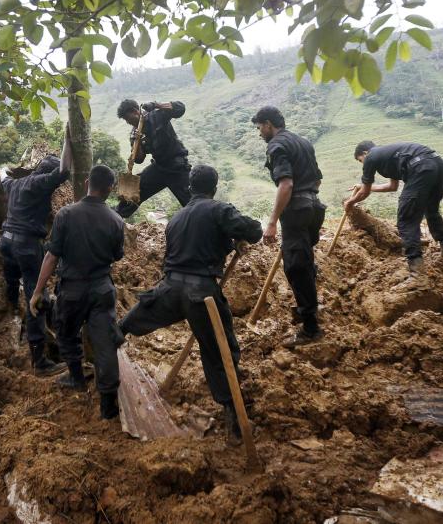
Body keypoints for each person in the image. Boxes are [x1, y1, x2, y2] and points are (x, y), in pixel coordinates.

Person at [119, 165, 262, 441]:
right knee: (220, 353)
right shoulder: (219, 209)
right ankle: (235, 419)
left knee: (141, 314)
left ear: (189, 188)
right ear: (215, 187)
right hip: (201, 294)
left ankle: (114, 333)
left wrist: (229, 242)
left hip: (171, 288)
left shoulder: (176, 218)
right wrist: (240, 235)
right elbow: (252, 230)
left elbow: (196, 244)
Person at [28, 165, 126, 419]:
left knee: (67, 335)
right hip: (102, 289)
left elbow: (51, 256)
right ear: (109, 189)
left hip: (72, 290)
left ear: (86, 183)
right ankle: (108, 406)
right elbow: (116, 255)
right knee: (105, 345)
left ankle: (76, 378)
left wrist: (38, 291)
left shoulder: (66, 214)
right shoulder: (116, 220)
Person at [0, 129, 73, 376]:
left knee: (12, 280)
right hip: (26, 245)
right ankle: (40, 361)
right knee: (36, 297)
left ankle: (9, 304)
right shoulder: (40, 183)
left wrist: (3, 169)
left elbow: (1, 177)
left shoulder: (16, 183)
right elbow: (63, 170)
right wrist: (67, 140)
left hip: (5, 242)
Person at [252, 106, 326, 347]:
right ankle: (311, 306)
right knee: (304, 260)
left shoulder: (276, 146)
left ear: (269, 124)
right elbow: (317, 178)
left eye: (260, 127)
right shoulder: (302, 141)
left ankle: (311, 329)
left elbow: (286, 184)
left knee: (296, 267)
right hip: (314, 207)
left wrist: (272, 222)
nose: (259, 132)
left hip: (296, 210)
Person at [345, 140, 443, 275]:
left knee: (406, 220)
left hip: (420, 168)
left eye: (361, 161)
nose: (363, 164)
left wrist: (350, 202)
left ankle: (417, 272)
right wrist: (364, 187)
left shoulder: (371, 157)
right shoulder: (389, 156)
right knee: (431, 210)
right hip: (437, 164)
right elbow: (392, 187)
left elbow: (365, 193)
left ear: (365, 153)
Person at [115, 99, 191, 218]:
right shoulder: (134, 133)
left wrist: (157, 105)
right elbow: (139, 159)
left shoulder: (157, 115)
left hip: (177, 167)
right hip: (159, 168)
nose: (128, 122)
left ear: (135, 112)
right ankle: (114, 219)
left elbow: (180, 108)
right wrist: (137, 141)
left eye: (127, 118)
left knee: (193, 203)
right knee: (131, 193)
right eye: (125, 120)